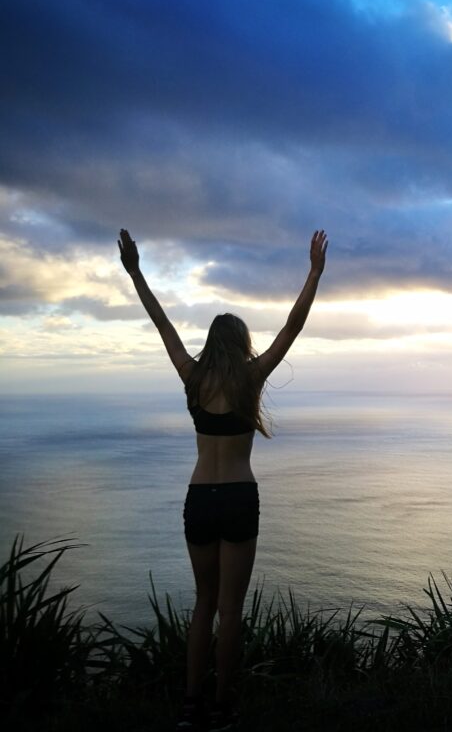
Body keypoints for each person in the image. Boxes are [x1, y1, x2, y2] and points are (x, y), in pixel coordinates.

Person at [118, 228, 328, 731]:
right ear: (241, 345)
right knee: (230, 611)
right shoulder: (251, 378)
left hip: (199, 499)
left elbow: (162, 323)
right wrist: (314, 273)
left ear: (211, 344)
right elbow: (292, 327)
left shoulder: (192, 377)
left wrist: (136, 272)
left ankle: (190, 706)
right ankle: (222, 709)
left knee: (203, 605)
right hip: (237, 498)